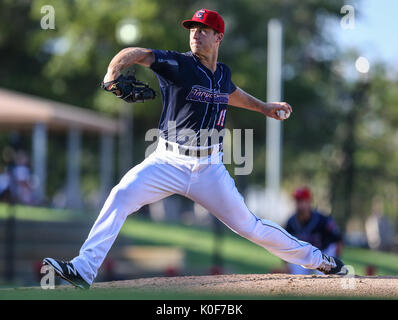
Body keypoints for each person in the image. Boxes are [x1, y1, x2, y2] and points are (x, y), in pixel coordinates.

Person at [43, 9, 347, 289]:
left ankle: (320, 260)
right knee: (121, 195)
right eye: (193, 28)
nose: (195, 33)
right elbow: (136, 53)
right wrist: (112, 74)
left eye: (203, 29)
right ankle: (84, 269)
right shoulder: (178, 64)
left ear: (219, 37)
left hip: (209, 169)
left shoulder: (222, 74)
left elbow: (232, 94)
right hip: (167, 161)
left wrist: (265, 107)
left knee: (251, 227)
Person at [285, 187, 343, 275]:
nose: (299, 204)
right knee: (296, 274)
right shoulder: (291, 222)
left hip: (323, 253)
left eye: (302, 200)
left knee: (322, 274)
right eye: (297, 201)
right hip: (304, 255)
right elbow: (285, 244)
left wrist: (336, 260)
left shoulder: (322, 220)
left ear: (309, 201)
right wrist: (286, 265)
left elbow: (338, 240)